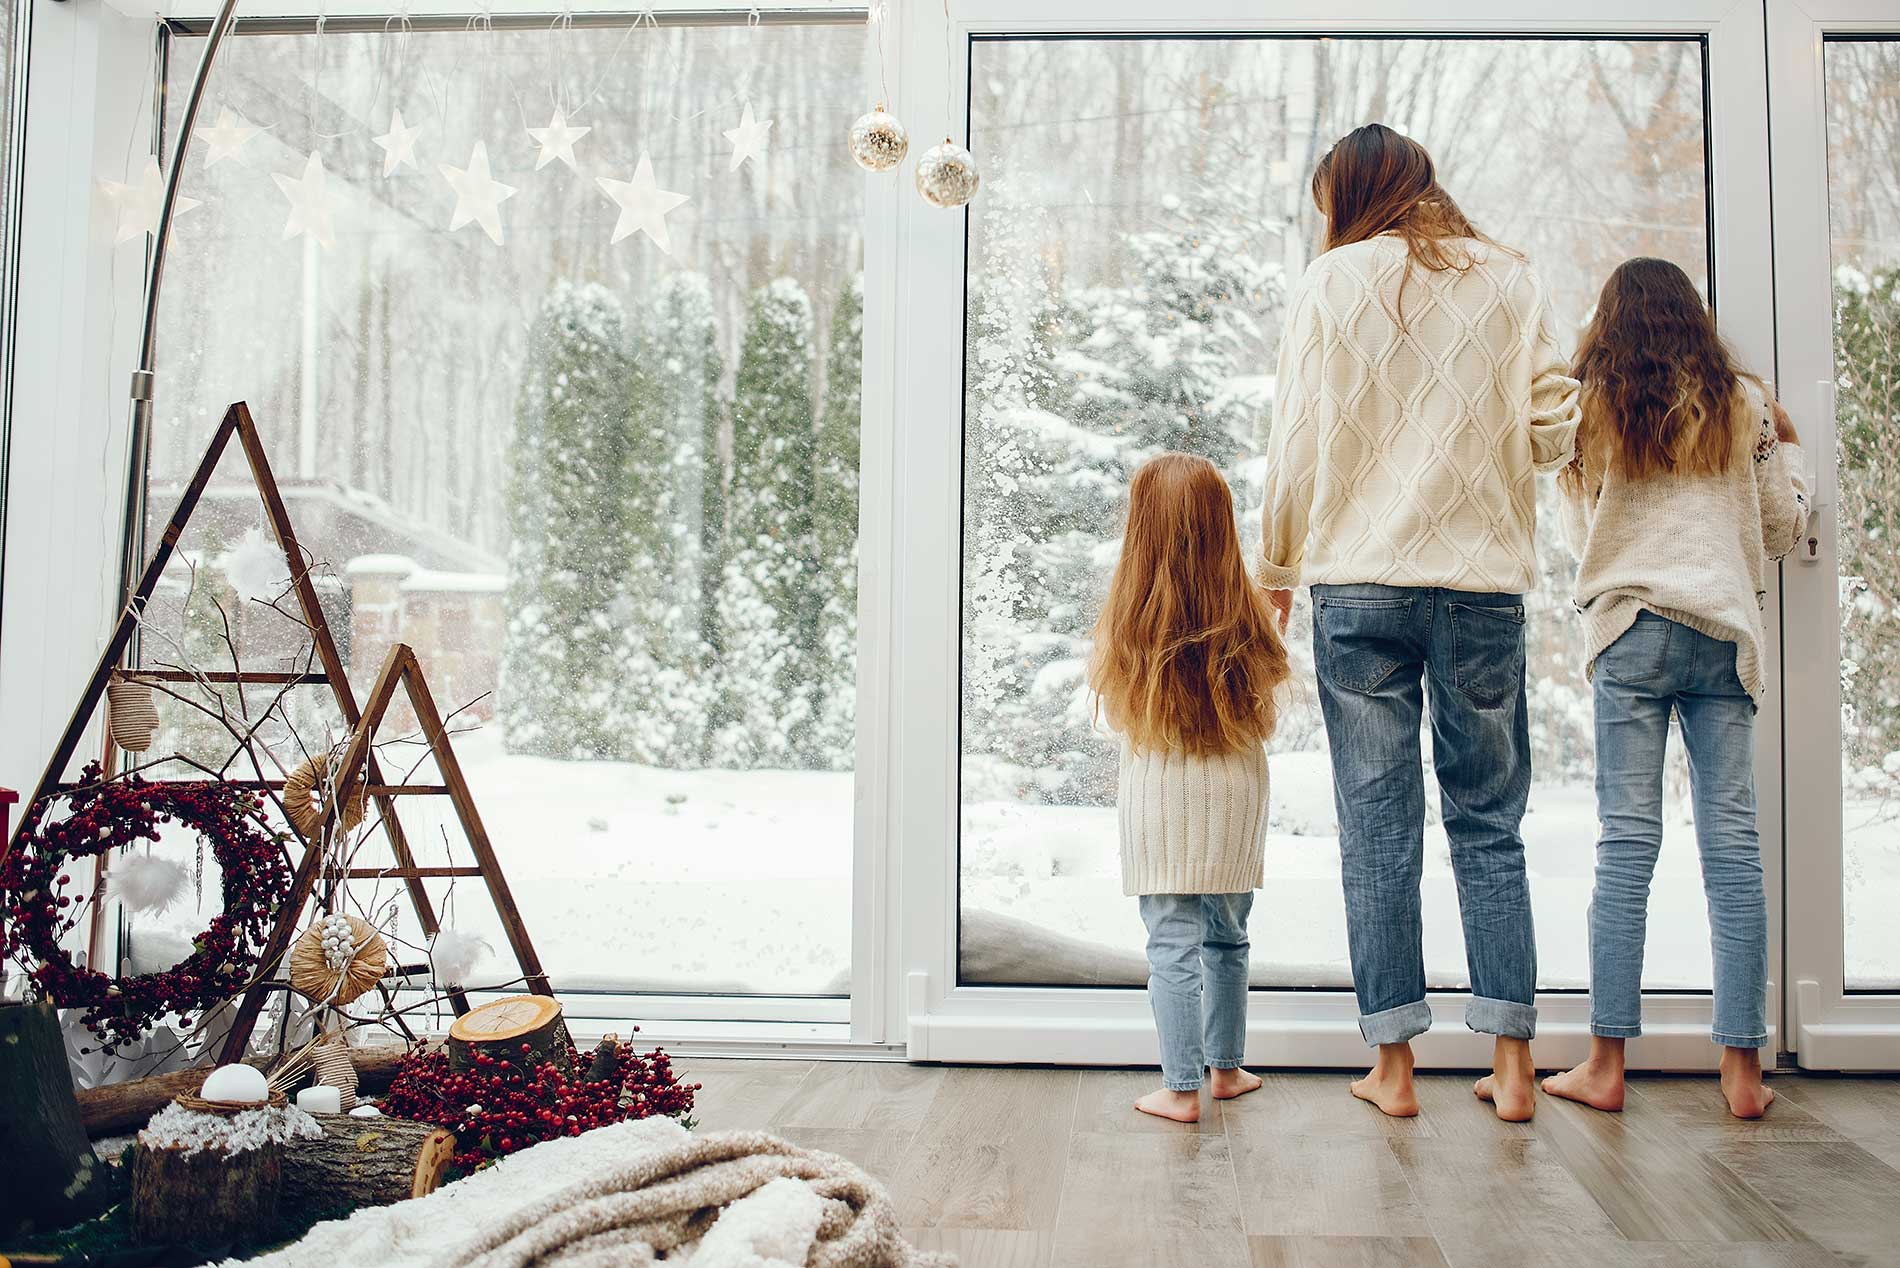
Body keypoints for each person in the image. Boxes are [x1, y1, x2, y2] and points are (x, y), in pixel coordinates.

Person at [1259, 123, 1581, 1121]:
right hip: (1480, 583)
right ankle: (1516, 1067)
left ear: (1349, 198)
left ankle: (1393, 1070)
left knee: (1376, 829)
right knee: (1490, 824)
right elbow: (1545, 432)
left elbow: (1297, 440)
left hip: (1355, 585)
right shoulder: (1510, 280)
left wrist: (1274, 563)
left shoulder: (1329, 283)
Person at [1542, 258, 1808, 1119]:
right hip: (1723, 633)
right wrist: (1792, 460)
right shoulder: (1747, 405)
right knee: (1731, 848)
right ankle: (1742, 1074)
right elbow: (1775, 526)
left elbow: (1581, 531)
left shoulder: (1594, 407)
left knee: (1627, 844)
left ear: (1608, 322)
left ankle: (1606, 1064)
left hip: (1631, 629)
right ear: (1693, 315)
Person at [1088, 452, 1293, 1122]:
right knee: (1228, 936)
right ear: (1221, 524)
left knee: (1171, 941)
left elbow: (1119, 711)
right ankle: (1225, 1070)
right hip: (1234, 796)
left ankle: (1180, 1088)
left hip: (1160, 800)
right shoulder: (1247, 611)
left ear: (1140, 528)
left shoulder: (1129, 615)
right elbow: (1268, 681)